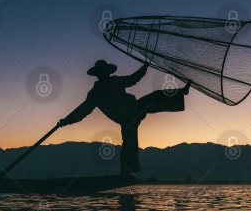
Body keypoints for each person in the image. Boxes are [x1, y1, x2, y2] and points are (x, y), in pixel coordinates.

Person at [58, 60, 190, 177]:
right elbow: (82, 111)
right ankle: (125, 172)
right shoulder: (95, 93)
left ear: (107, 73)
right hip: (126, 119)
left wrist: (145, 67)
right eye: (101, 73)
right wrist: (66, 121)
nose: (103, 75)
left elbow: (133, 79)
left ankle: (180, 93)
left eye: (104, 72)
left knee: (153, 98)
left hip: (135, 108)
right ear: (97, 75)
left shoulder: (116, 81)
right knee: (129, 143)